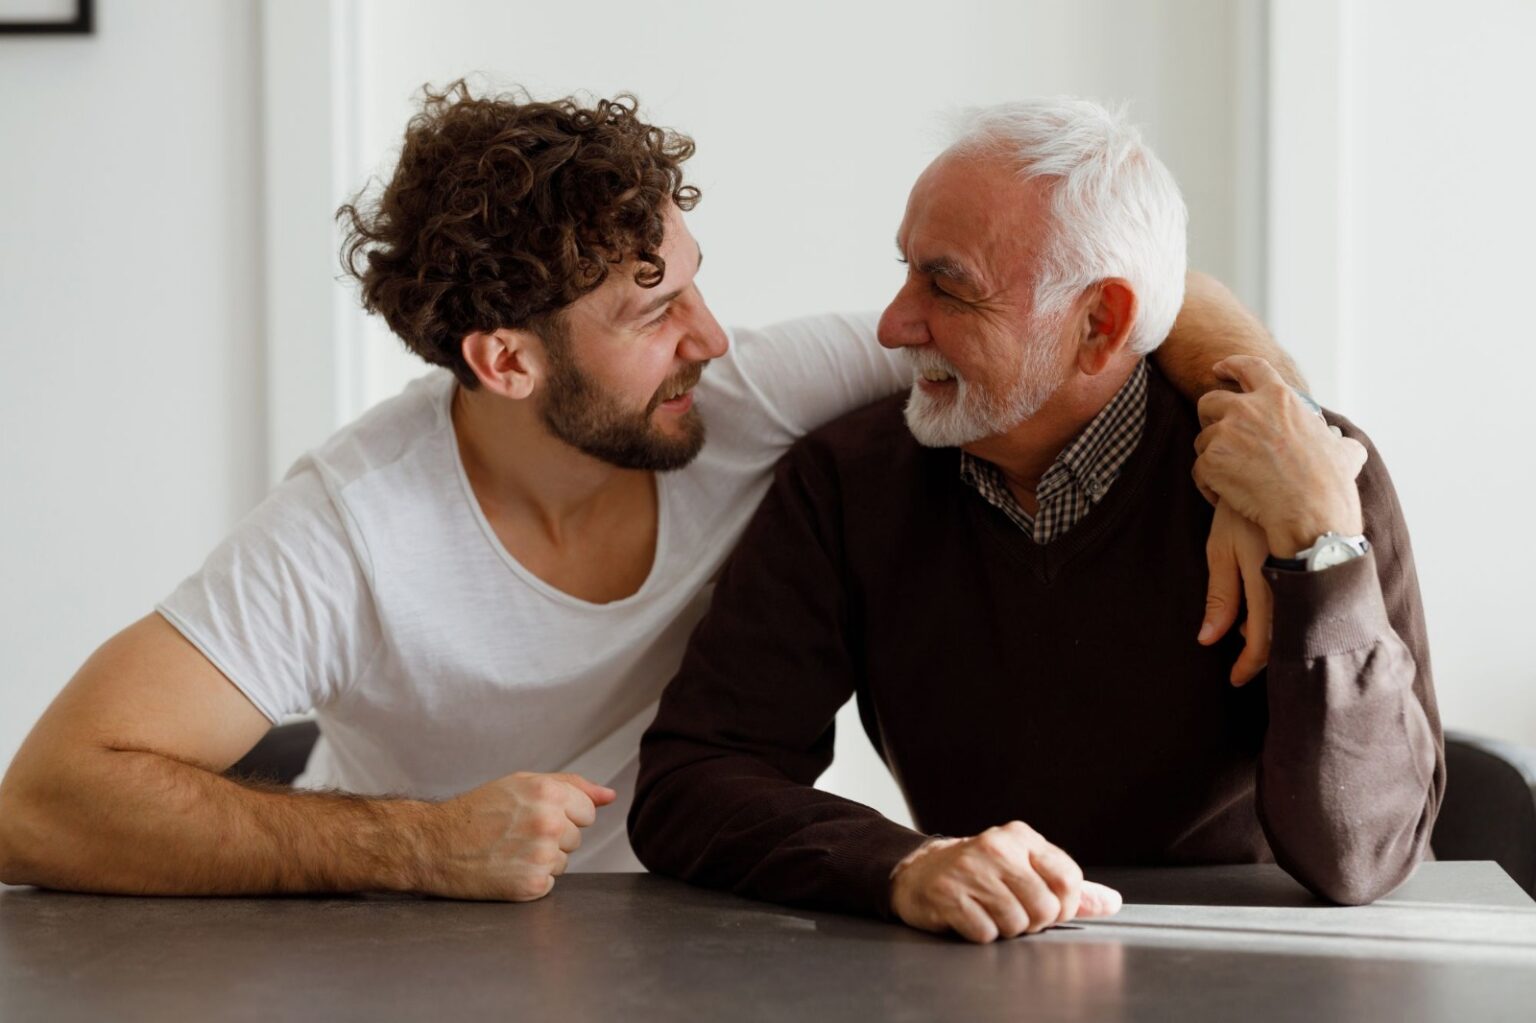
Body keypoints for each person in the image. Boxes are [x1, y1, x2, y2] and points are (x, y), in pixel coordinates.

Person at [0, 84, 1301, 901]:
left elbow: (1129, 301)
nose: (713, 334)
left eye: (693, 276)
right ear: (505, 360)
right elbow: (45, 796)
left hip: (716, 924)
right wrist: (416, 846)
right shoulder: (351, 528)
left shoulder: (742, 395)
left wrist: (1265, 442)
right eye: (652, 305)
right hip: (418, 960)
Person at [628, 98, 1442, 942]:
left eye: (947, 285)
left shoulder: (1312, 479)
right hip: (974, 966)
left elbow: (1363, 858)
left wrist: (1321, 552)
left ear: (1101, 323)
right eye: (905, 270)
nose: (893, 324)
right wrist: (902, 864)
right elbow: (696, 776)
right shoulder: (847, 482)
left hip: (1246, 966)